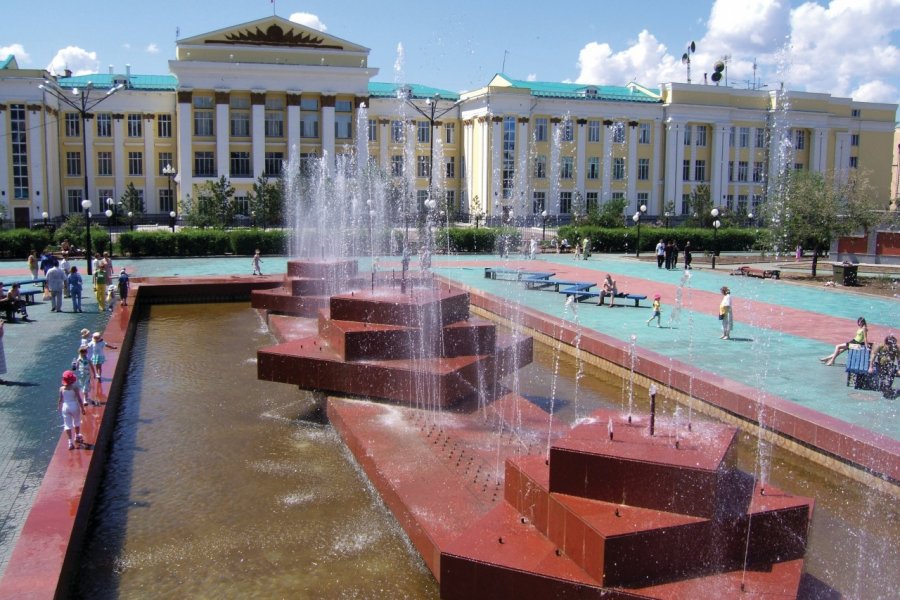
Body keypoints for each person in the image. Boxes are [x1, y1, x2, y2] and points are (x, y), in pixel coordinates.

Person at [58, 370, 85, 450]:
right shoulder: (75, 388)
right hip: (74, 405)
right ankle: (77, 436)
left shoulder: (61, 389)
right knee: (76, 421)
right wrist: (82, 408)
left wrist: (59, 407)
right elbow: (79, 399)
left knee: (67, 424)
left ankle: (70, 442)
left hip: (65, 407)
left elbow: (60, 400)